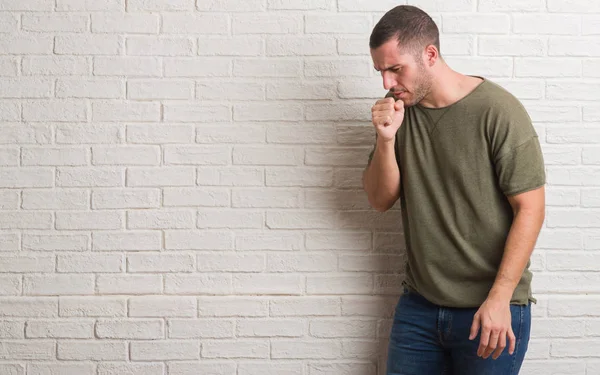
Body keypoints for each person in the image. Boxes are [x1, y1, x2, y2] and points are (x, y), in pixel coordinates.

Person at [362, 5, 546, 375]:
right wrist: (385, 140)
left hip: (490, 307)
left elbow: (531, 208)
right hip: (419, 308)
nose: (387, 83)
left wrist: (499, 299)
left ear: (430, 54)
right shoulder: (399, 114)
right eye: (381, 71)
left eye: (395, 68)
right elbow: (380, 200)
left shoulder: (497, 111)